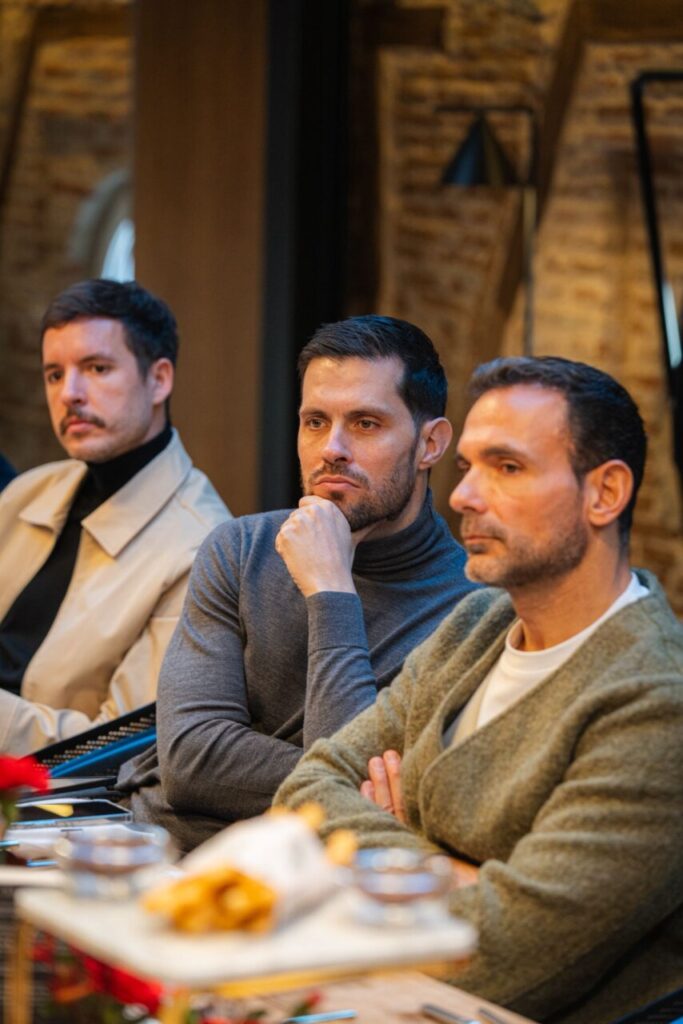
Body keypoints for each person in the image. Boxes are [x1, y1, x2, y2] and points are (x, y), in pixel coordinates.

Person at [275, 356, 683, 1024]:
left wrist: (382, 846)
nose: (462, 495)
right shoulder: (476, 623)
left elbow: (498, 960)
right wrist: (455, 872)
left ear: (603, 494)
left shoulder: (655, 702)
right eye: (465, 466)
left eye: (507, 466)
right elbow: (303, 793)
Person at [119, 315, 477, 851]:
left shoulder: (471, 608)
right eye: (315, 421)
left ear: (430, 444)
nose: (332, 448)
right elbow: (192, 760)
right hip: (161, 854)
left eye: (365, 424)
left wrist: (331, 590)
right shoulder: (240, 549)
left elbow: (348, 806)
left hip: (323, 892)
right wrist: (339, 781)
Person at [0, 279, 229, 754]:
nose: (71, 394)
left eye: (97, 368)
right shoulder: (25, 495)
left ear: (159, 379)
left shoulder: (202, 547)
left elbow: (117, 753)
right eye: (54, 374)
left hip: (51, 812)